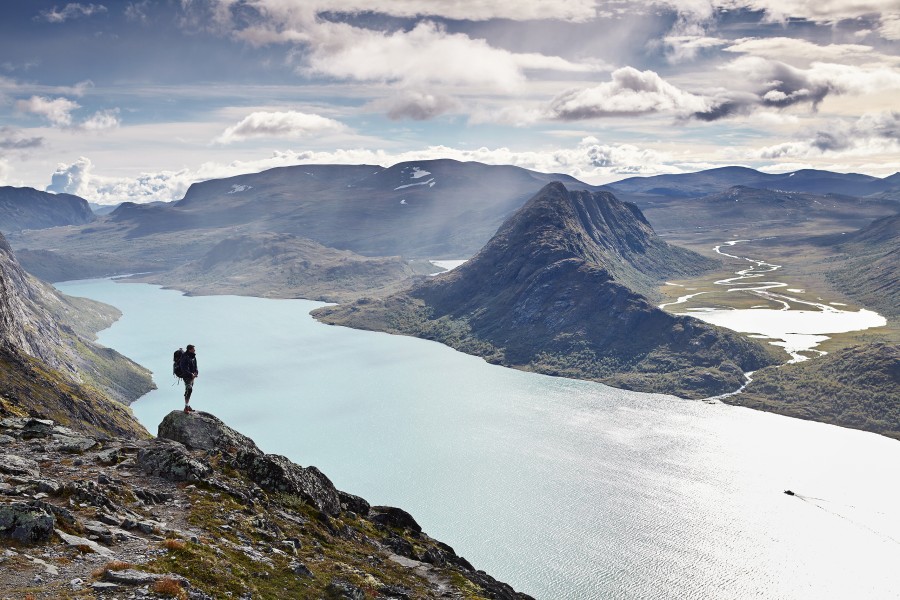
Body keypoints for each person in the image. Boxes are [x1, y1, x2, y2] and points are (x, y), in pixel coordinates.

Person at [179, 344, 199, 413]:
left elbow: (196, 366)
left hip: (192, 377)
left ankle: (187, 406)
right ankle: (186, 407)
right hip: (187, 377)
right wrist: (191, 374)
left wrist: (196, 373)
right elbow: (184, 368)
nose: (194, 350)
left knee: (188, 391)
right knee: (189, 389)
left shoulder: (193, 356)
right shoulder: (184, 357)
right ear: (190, 349)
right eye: (193, 349)